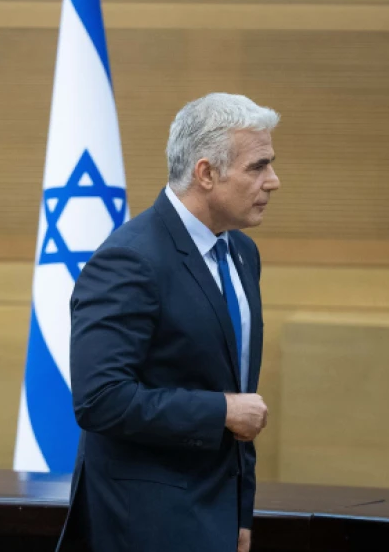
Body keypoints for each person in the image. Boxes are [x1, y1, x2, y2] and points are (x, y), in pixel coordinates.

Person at [57, 93, 279, 552]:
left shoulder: (241, 253)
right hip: (144, 523)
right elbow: (100, 399)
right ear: (206, 173)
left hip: (216, 515)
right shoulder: (130, 259)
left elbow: (234, 382)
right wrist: (222, 410)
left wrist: (241, 511)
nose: (273, 181)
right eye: (257, 167)